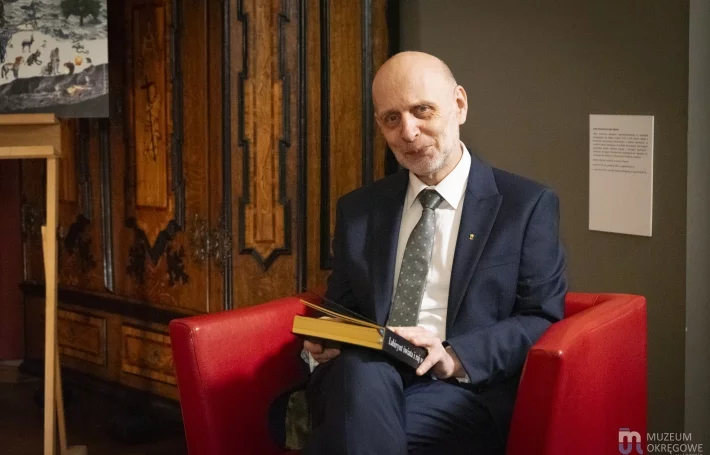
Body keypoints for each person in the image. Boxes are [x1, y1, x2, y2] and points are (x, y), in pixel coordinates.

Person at [302, 51, 567, 455]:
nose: (408, 132)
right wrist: (326, 336)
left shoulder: (525, 206)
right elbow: (343, 308)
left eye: (421, 110)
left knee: (349, 433)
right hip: (365, 375)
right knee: (360, 373)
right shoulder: (359, 210)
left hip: (458, 385)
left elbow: (540, 316)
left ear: (459, 104)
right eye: (392, 118)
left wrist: (454, 357)